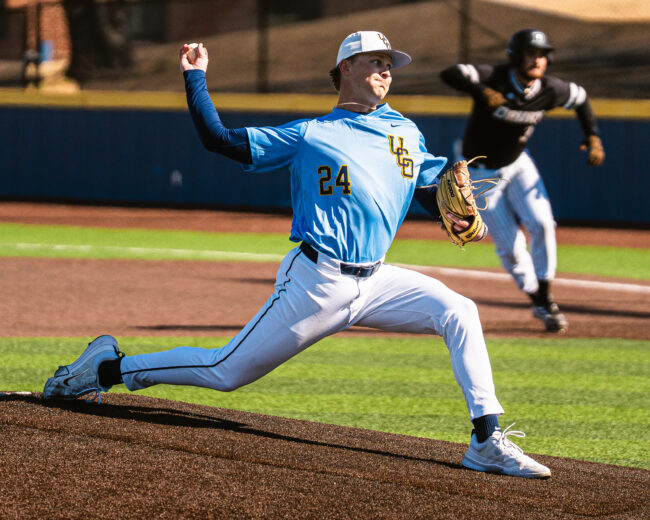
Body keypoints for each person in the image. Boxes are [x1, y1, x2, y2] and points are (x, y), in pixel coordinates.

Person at [43, 31, 550, 478]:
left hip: (376, 281)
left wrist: (449, 214)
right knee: (225, 372)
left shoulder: (406, 132)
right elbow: (218, 140)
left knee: (458, 310)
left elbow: (423, 188)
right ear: (345, 70)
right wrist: (195, 77)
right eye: (374, 60)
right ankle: (103, 369)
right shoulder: (311, 135)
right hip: (317, 282)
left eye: (389, 63)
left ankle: (486, 439)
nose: (385, 69)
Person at [440, 28, 605, 333]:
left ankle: (545, 297)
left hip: (517, 164)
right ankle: (535, 297)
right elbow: (450, 73)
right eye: (531, 53)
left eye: (542, 54)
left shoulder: (549, 89)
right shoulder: (495, 77)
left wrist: (592, 135)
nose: (537, 60)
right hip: (480, 175)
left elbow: (580, 99)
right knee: (511, 248)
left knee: (542, 224)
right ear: (516, 56)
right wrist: (481, 90)